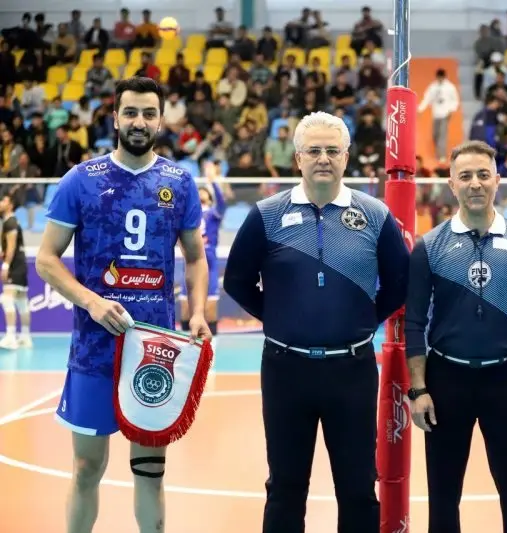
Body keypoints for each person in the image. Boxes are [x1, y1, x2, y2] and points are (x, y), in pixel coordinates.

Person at [35, 77, 212, 533]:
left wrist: (196, 312)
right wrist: (92, 302)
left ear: (161, 120)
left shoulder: (179, 182)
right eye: (130, 112)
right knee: (86, 468)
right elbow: (46, 260)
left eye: (149, 113)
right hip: (94, 350)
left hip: (153, 352)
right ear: (115, 118)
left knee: (150, 471)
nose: (139, 121)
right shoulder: (81, 180)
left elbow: (195, 257)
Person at [222, 111, 410, 533]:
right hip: (285, 371)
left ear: (346, 157)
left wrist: (364, 320)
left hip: (352, 371)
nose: (323, 158)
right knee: (285, 488)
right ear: (298, 158)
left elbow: (400, 283)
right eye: (313, 151)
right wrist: (279, 318)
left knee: (358, 488)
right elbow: (236, 280)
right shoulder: (266, 214)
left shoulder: (374, 214)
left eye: (332, 150)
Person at [404, 140, 507, 533]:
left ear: (497, 180)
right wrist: (419, 389)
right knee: (443, 497)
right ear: (452, 185)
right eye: (466, 176)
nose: (475, 183)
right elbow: (414, 323)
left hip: (506, 380)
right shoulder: (429, 247)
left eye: (483, 175)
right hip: (446, 381)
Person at [179, 160, 231, 346]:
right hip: (191, 261)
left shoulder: (213, 213)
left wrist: (213, 181)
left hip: (210, 262)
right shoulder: (190, 213)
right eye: (198, 193)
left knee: (210, 309)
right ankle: (185, 345)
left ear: (208, 199)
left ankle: (211, 349)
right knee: (185, 307)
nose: (201, 195)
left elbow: (222, 203)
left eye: (204, 194)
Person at [0, 190, 32, 349]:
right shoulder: (12, 221)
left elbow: (11, 247)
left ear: (10, 205)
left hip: (15, 266)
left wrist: (5, 265)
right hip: (21, 265)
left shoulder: (10, 222)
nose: (0, 203)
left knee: (7, 299)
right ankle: (25, 337)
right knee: (21, 302)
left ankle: (11, 337)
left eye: (3, 201)